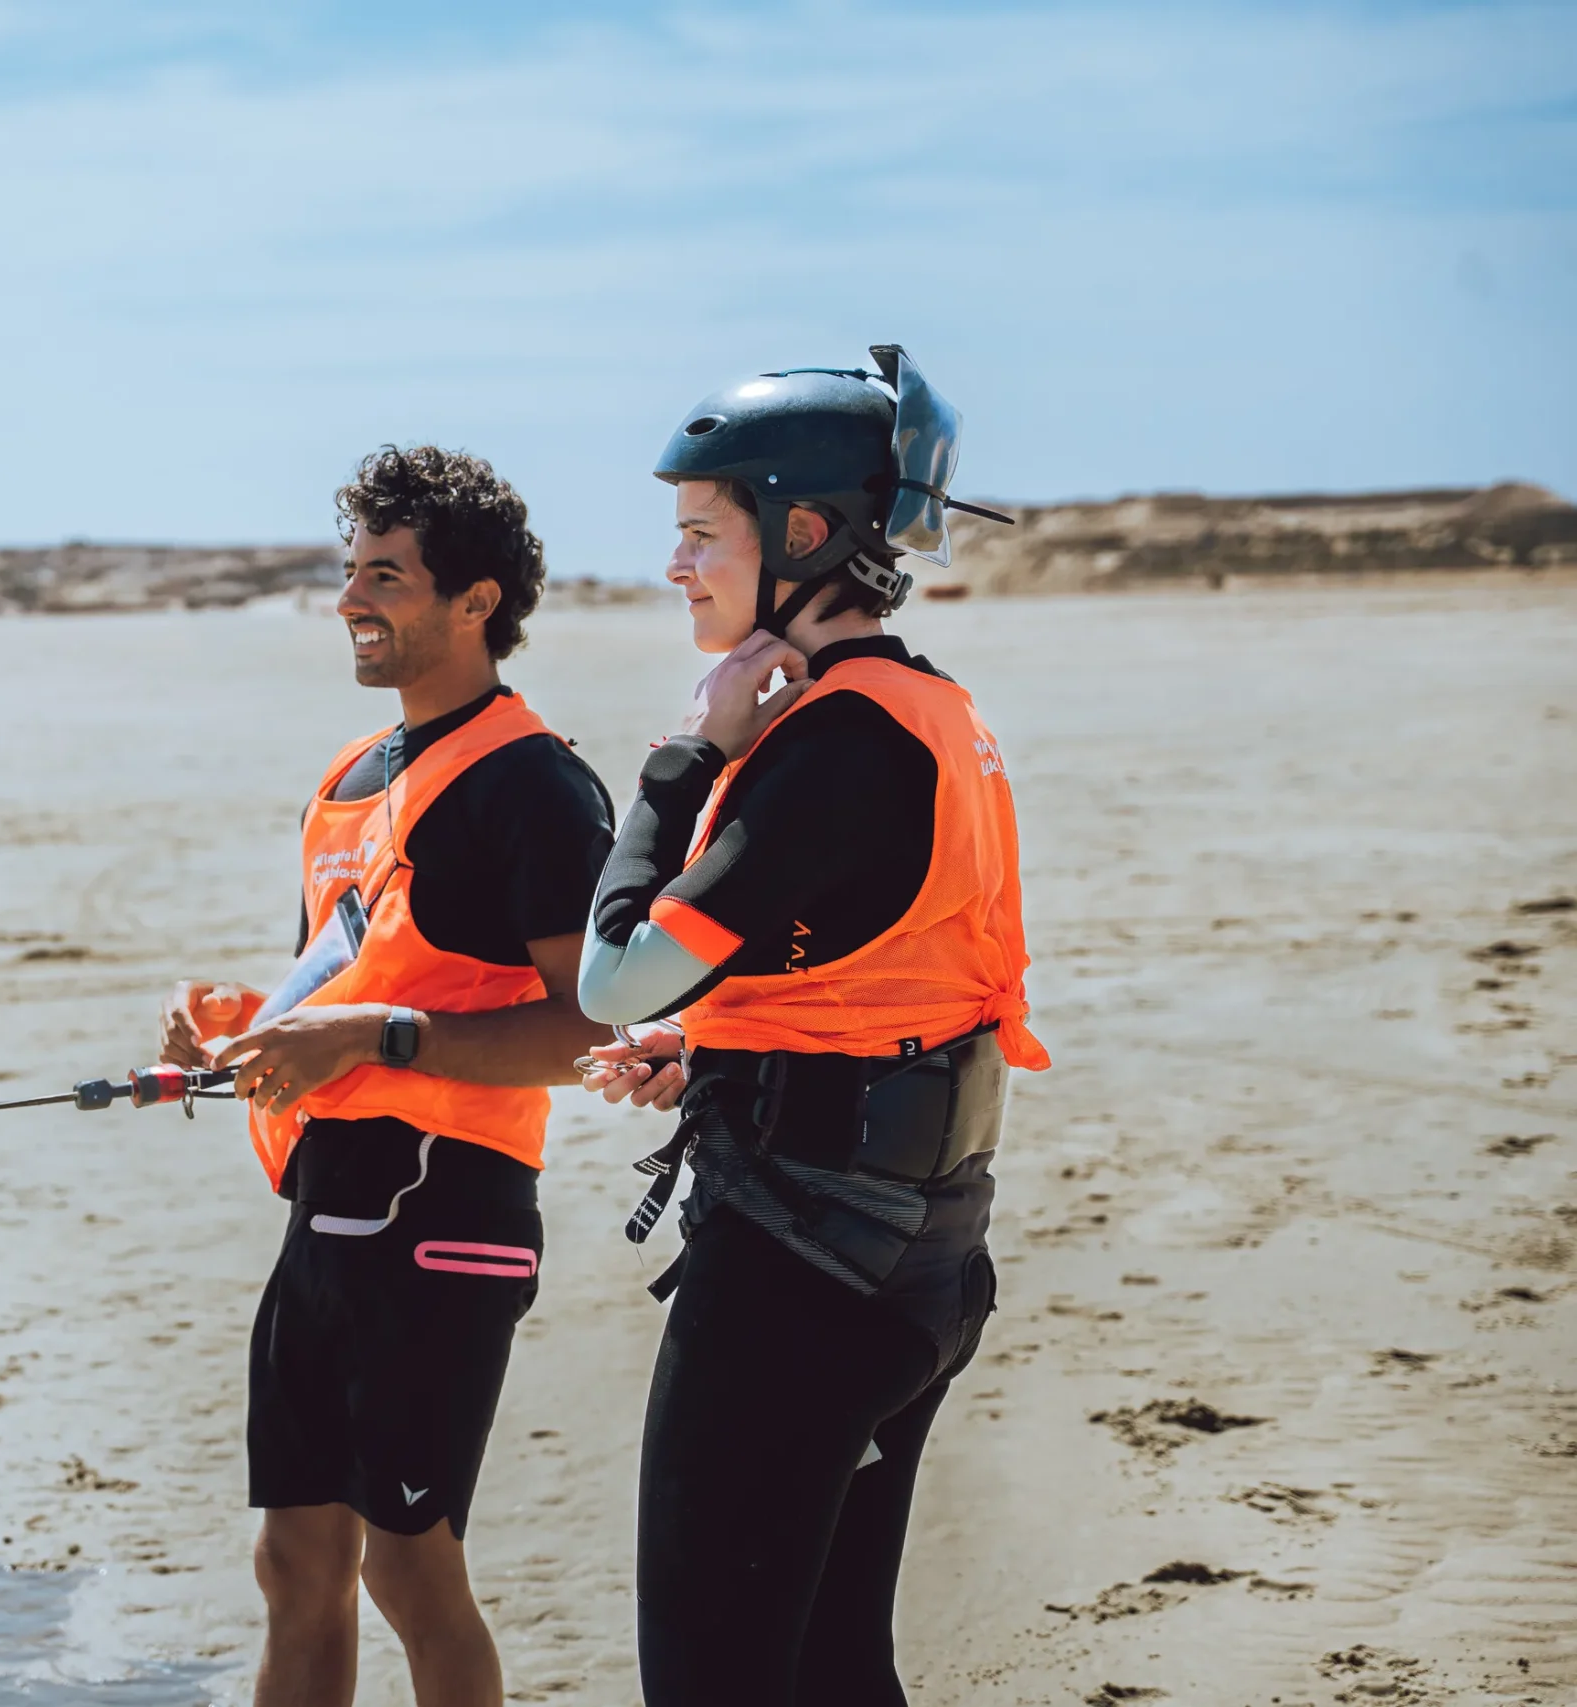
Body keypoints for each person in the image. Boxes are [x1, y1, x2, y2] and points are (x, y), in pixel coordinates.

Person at [576, 347, 1049, 1705]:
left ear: (804, 532)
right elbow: (872, 954)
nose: (674, 565)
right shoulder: (932, 710)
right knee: (839, 1671)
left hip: (801, 1278)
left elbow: (612, 977)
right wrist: (722, 1047)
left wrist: (686, 754)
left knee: (714, 1682)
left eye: (698, 533)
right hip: (923, 1257)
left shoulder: (828, 741)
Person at [159, 445, 613, 1707]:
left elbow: (592, 1033)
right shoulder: (350, 778)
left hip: (449, 1211)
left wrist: (368, 1041)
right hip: (329, 1207)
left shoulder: (535, 785)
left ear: (477, 603)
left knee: (413, 1572)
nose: (354, 600)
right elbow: (348, 974)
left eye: (389, 577)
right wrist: (242, 1034)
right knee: (295, 1558)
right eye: (350, 571)